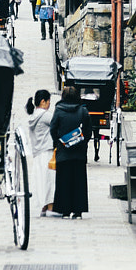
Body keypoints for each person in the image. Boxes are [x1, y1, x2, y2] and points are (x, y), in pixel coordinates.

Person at [48, 85, 90, 219]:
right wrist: (82, 142)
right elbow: (88, 130)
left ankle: (64, 210)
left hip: (63, 152)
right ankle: (78, 210)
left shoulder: (59, 110)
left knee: (63, 182)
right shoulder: (83, 111)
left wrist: (59, 142)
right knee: (79, 181)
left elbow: (53, 129)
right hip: (79, 153)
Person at [24, 90, 56, 216]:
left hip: (37, 152)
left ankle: (43, 206)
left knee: (41, 180)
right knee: (50, 180)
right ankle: (51, 207)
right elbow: (57, 124)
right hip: (47, 151)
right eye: (48, 102)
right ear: (43, 102)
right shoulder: (45, 115)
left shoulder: (32, 115)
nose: (49, 104)